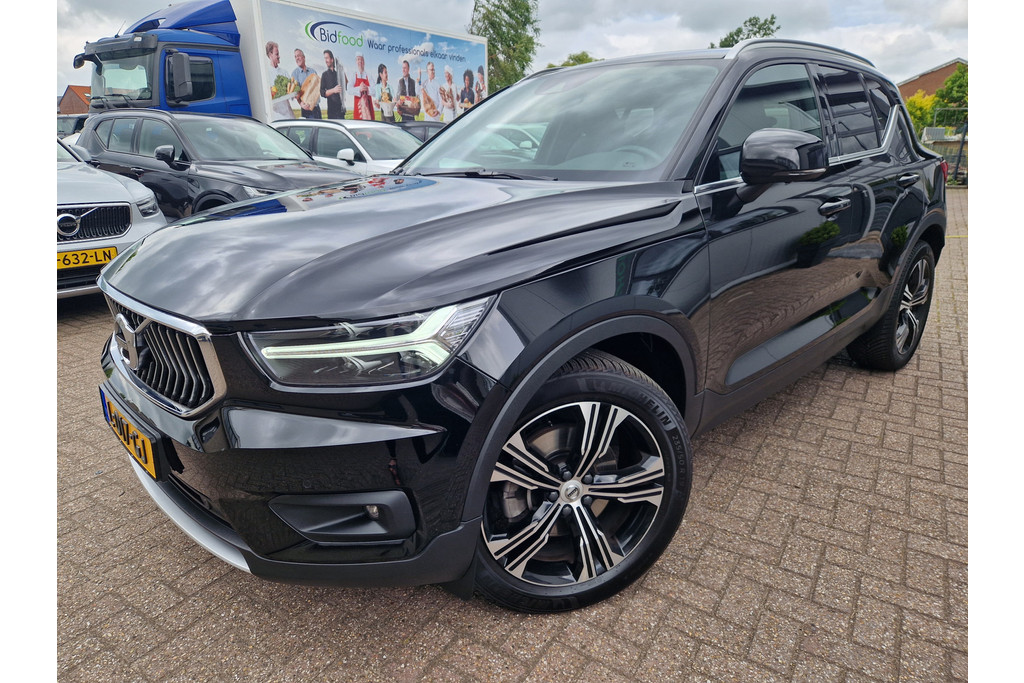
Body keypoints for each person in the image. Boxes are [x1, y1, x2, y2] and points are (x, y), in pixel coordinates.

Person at [292, 49, 321, 119]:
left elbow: (318, 88)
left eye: (298, 56)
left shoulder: (313, 72)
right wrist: (301, 104)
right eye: (295, 57)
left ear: (303, 57)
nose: (297, 58)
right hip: (306, 110)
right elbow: (296, 93)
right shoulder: (295, 74)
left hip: (317, 108)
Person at [320, 49, 347, 119]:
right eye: (325, 58)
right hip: (331, 112)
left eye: (327, 58)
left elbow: (346, 86)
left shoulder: (338, 74)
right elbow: (322, 93)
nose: (326, 60)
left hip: (341, 110)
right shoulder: (324, 75)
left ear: (332, 59)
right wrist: (333, 90)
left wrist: (343, 72)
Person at [349, 52, 373, 120]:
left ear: (364, 62)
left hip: (369, 108)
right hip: (358, 108)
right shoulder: (354, 75)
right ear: (356, 62)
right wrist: (359, 89)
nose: (360, 61)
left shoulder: (369, 75)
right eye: (358, 59)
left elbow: (375, 90)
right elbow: (349, 89)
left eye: (361, 59)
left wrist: (367, 89)